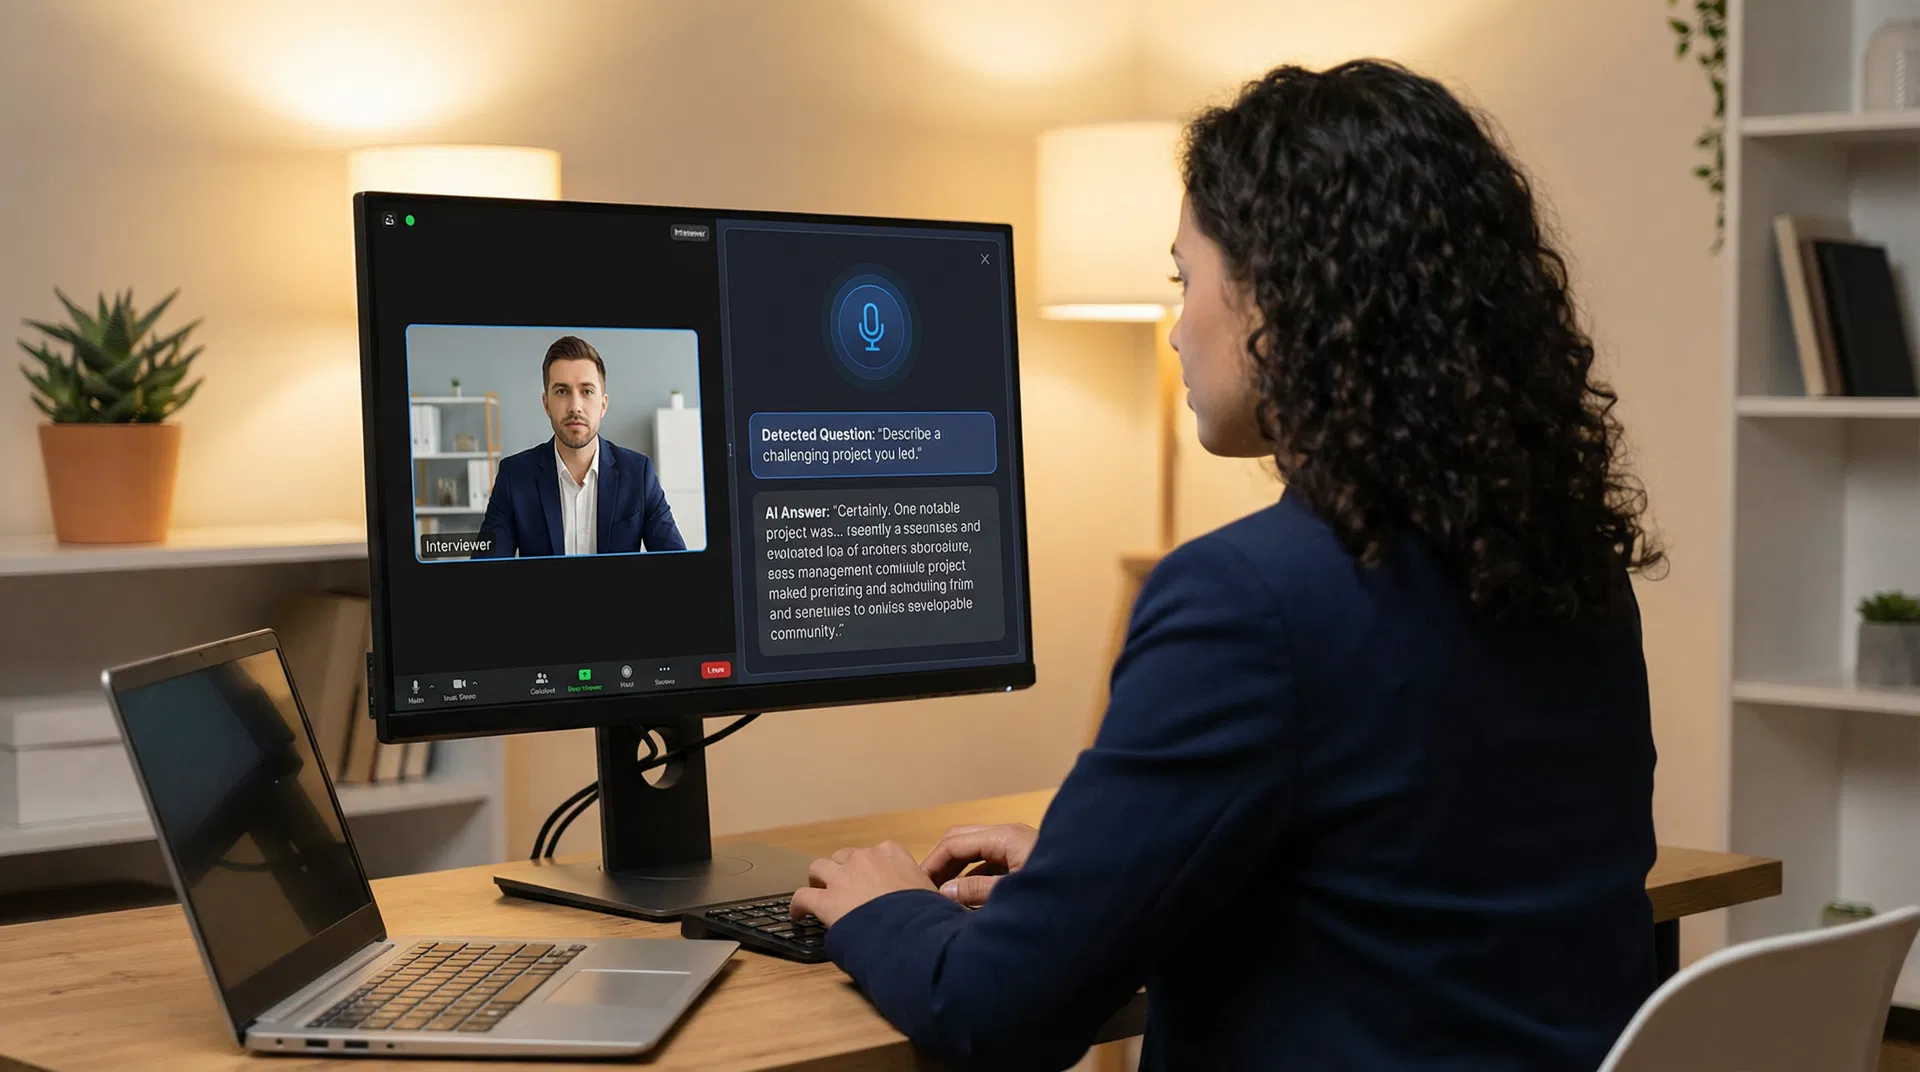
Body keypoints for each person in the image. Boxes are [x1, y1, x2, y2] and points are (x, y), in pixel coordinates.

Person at [791, 60, 1665, 1071]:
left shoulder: (1247, 598)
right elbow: (1414, 892)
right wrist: (1107, 874)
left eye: (1183, 278)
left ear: (1280, 295)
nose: (1174, 328)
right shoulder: (1571, 570)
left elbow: (996, 1012)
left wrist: (887, 907)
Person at [474, 335, 685, 558]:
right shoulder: (514, 476)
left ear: (603, 405)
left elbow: (677, 565)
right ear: (546, 404)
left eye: (587, 391)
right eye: (562, 391)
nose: (575, 406)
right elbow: (486, 566)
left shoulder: (638, 473)